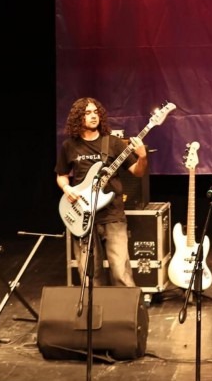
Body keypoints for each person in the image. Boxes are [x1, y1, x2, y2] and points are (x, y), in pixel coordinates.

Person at [56, 97, 148, 287]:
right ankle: (95, 307)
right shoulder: (69, 146)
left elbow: (137, 172)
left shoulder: (113, 143)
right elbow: (61, 175)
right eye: (87, 113)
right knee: (89, 275)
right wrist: (67, 188)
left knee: (121, 272)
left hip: (113, 215)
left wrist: (142, 157)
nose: (93, 116)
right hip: (82, 216)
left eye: (96, 112)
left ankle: (125, 306)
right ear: (78, 117)